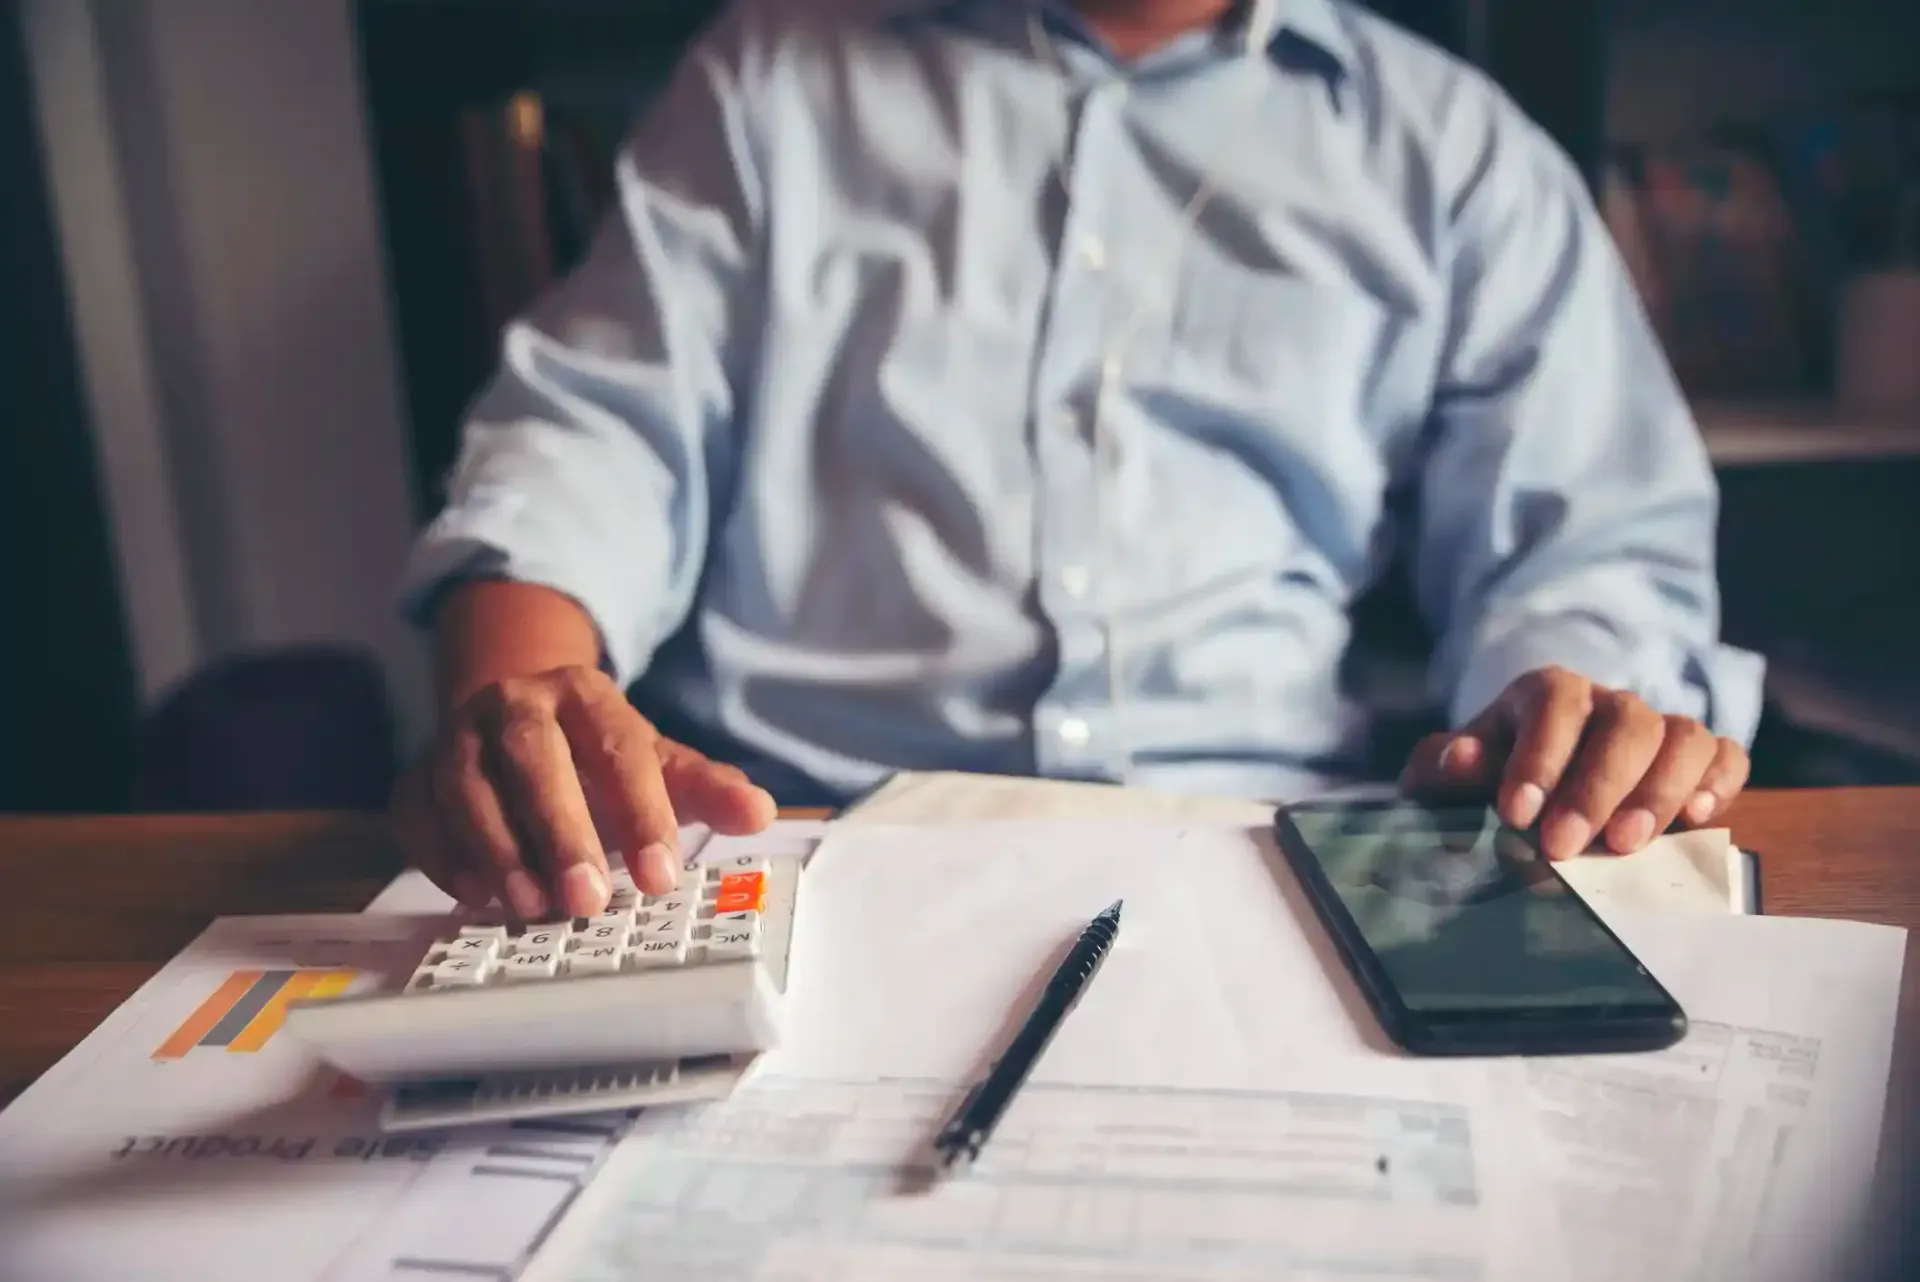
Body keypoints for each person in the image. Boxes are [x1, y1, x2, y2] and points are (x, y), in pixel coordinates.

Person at [392, 0, 1766, 922]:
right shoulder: (771, 78)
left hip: (1279, 862)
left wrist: (1582, 712)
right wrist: (526, 695)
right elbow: (594, 433)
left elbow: (1587, 544)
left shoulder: (1455, 153)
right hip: (795, 845)